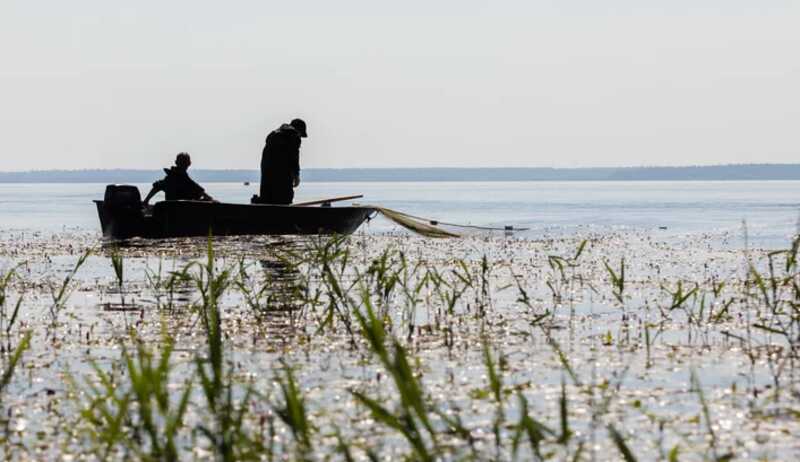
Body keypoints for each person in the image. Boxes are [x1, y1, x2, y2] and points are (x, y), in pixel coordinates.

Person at [253, 118, 307, 205]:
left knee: (267, 197)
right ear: (299, 130)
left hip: (267, 170)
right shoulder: (294, 135)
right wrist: (296, 175)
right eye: (301, 135)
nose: (300, 137)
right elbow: (294, 157)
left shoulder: (273, 134)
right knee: (285, 197)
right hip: (282, 172)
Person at [143, 152, 215, 204]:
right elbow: (203, 194)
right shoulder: (188, 182)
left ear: (176, 162)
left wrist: (146, 200)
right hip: (182, 216)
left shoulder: (168, 179)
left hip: (170, 214)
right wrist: (213, 200)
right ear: (189, 164)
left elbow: (156, 187)